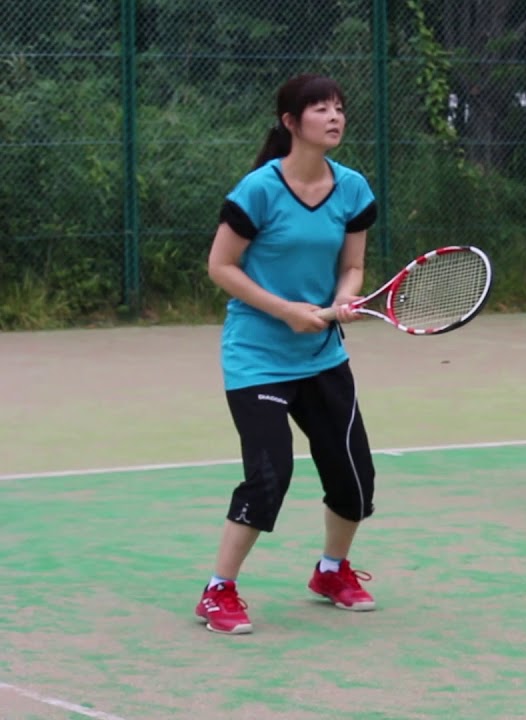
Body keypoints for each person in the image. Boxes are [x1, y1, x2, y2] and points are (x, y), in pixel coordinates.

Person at [197, 73, 381, 635]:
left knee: (355, 478)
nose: (334, 117)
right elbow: (221, 267)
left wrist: (344, 299)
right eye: (320, 108)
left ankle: (331, 571)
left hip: (323, 356)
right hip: (257, 357)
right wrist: (286, 310)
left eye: (340, 107)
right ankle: (218, 591)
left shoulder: (352, 189)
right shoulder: (258, 190)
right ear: (290, 122)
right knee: (269, 474)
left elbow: (351, 266)